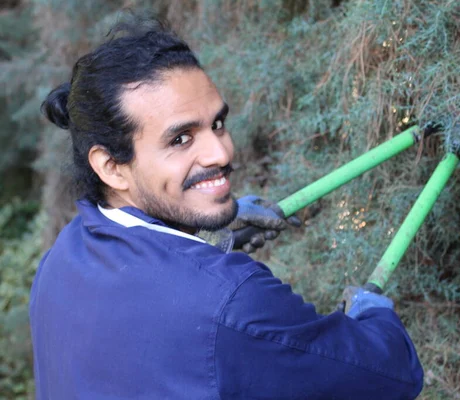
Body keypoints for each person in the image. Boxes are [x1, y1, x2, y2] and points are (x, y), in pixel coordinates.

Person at [29, 16, 423, 400]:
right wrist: (374, 315)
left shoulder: (60, 262)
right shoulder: (232, 302)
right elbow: (391, 376)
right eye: (181, 139)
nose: (220, 152)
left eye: (217, 124)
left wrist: (202, 240)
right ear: (111, 167)